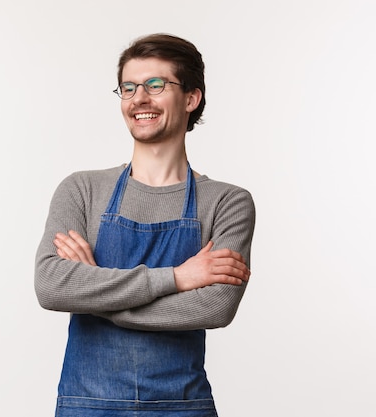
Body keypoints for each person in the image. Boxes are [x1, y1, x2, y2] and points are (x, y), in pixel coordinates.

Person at [35, 33, 256, 417]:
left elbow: (215, 308)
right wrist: (177, 278)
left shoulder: (227, 201)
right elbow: (52, 286)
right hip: (87, 405)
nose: (139, 99)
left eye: (156, 85)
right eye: (129, 87)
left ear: (191, 98)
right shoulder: (82, 190)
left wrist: (94, 289)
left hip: (182, 406)